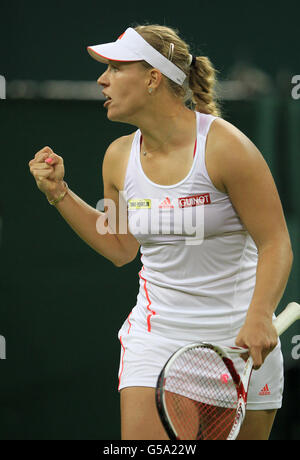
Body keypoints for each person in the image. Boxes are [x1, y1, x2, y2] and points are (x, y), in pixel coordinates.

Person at [28, 24, 293, 440]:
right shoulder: (117, 157)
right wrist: (59, 193)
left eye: (115, 68)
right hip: (157, 342)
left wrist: (260, 316)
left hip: (243, 348)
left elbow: (276, 242)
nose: (102, 79)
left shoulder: (226, 147)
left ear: (152, 77)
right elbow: (119, 246)